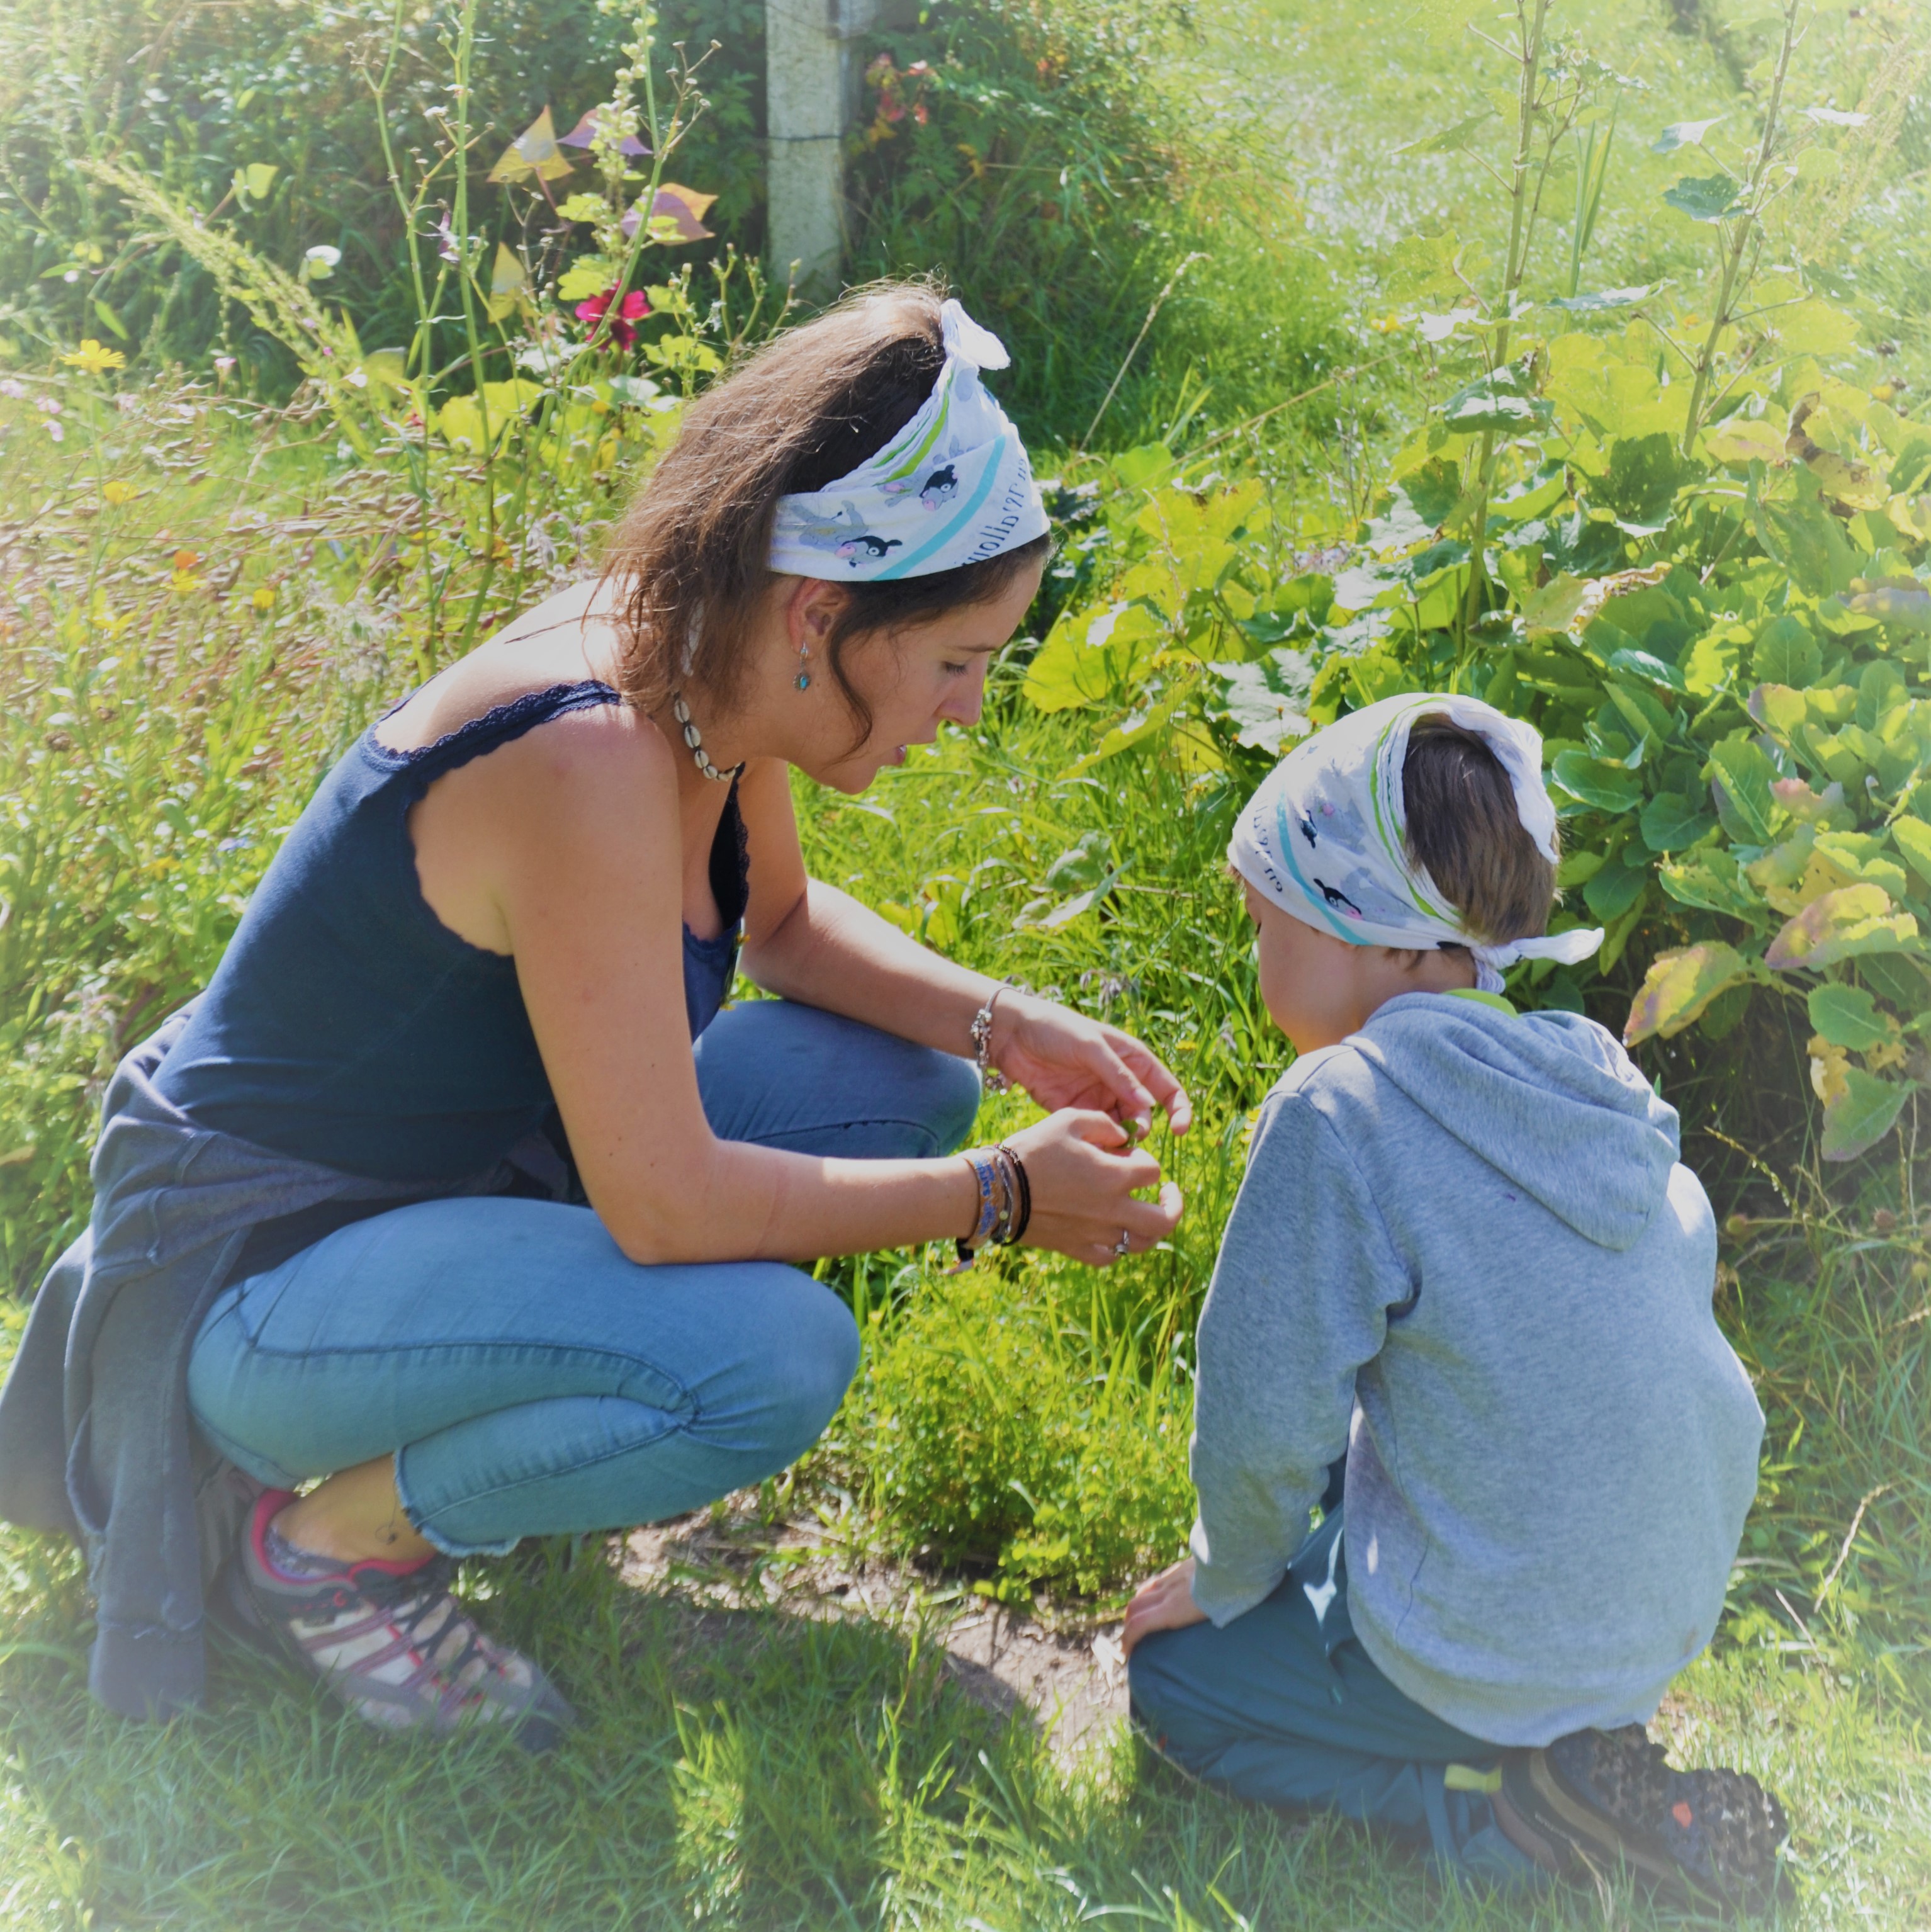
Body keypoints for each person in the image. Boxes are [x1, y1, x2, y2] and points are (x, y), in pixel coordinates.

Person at [0, 288, 1189, 1745]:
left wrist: (1006, 1026)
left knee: (907, 1078)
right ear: (825, 613)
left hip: (457, 1190)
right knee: (772, 1352)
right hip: (260, 1284)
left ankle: (516, 1430)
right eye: (959, 661)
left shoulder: (711, 663)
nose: (964, 711)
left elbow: (790, 931)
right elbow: (668, 1201)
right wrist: (1002, 1197)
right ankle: (319, 1548)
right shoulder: (581, 754)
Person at [1118, 694, 1789, 1914]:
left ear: (1366, 933)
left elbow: (1268, 1405)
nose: (1256, 952)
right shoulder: (1591, 1076)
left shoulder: (1341, 1104)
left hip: (1503, 1630)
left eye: (1267, 920)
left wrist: (1223, 1573)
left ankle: (1510, 1813)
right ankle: (1583, 1741)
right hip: (1657, 1599)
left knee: (1176, 1685)